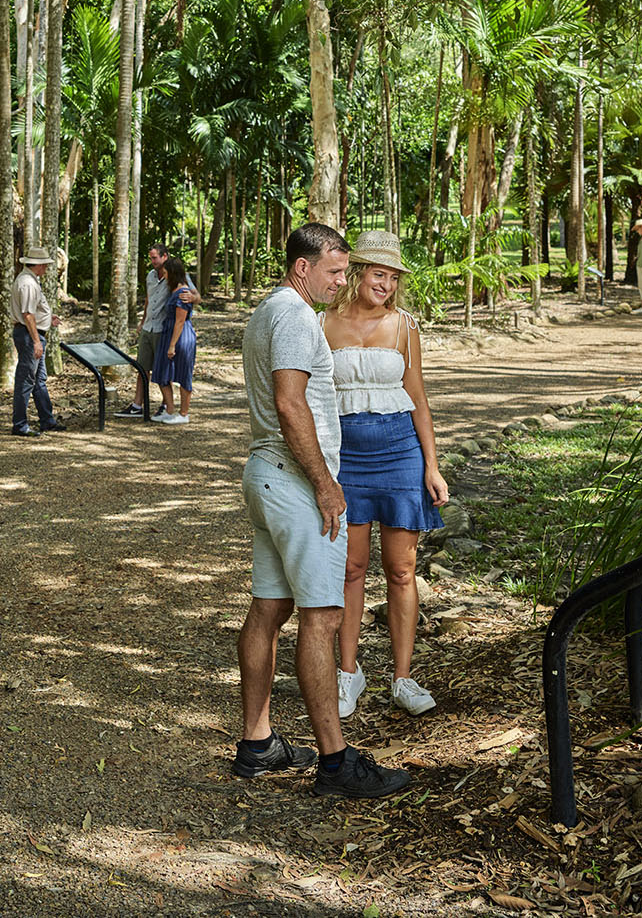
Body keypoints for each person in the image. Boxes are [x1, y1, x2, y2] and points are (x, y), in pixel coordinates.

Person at [233, 222, 413, 800]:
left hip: (267, 476)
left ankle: (257, 744)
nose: (342, 281)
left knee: (269, 606)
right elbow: (290, 403)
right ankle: (336, 764)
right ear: (302, 266)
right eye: (335, 270)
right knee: (322, 616)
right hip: (293, 482)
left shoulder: (270, 309)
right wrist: (326, 484)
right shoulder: (291, 314)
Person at [321, 230, 448, 721]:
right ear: (357, 273)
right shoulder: (323, 323)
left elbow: (418, 397)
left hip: (400, 455)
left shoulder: (404, 326)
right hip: (346, 459)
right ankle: (347, 673)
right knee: (350, 569)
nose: (388, 285)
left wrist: (432, 467)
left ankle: (402, 677)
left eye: (394, 278)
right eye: (380, 274)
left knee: (401, 570)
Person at [118, 244, 200, 418]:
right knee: (142, 367)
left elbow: (195, 296)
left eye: (155, 257)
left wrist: (193, 298)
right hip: (149, 326)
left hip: (164, 329)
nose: (152, 261)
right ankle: (137, 405)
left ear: (165, 256)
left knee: (163, 369)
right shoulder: (150, 276)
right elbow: (149, 299)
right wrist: (142, 321)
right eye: (151, 258)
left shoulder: (178, 276)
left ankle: (166, 406)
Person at [11, 247, 67, 437]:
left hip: (34, 335)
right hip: (29, 336)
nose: (46, 268)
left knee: (39, 380)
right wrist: (36, 341)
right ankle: (19, 425)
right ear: (39, 265)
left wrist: (48, 318)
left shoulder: (31, 280)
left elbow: (33, 311)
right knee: (26, 380)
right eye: (45, 265)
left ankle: (47, 420)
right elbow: (27, 315)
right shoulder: (27, 283)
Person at [152, 256, 197, 425]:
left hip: (180, 336)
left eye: (166, 273)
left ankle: (184, 413)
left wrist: (172, 345)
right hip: (168, 333)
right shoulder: (173, 290)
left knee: (183, 373)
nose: (164, 276)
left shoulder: (183, 293)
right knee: (161, 372)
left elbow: (180, 320)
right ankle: (170, 410)